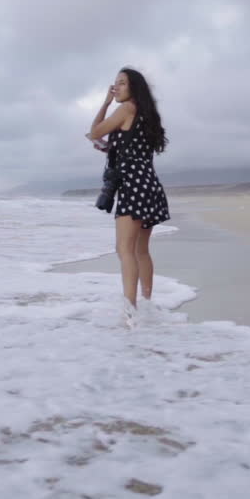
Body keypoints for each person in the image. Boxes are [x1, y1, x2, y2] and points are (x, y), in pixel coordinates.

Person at [86, 67, 170, 326]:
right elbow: (126, 146)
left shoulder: (126, 109)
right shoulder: (146, 114)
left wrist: (105, 103)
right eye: (115, 84)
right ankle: (147, 305)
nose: (116, 87)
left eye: (122, 83)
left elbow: (95, 132)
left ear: (134, 87)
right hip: (150, 184)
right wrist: (110, 147)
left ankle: (130, 313)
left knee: (124, 249)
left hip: (133, 185)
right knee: (141, 250)